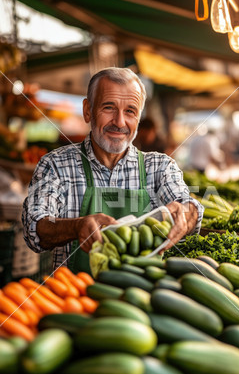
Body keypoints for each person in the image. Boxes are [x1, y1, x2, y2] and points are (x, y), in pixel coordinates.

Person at [22, 67, 203, 274]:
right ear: (88, 110)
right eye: (109, 108)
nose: (119, 122)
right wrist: (76, 227)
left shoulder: (160, 167)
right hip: (74, 297)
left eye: (130, 111)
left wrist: (186, 213)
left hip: (142, 301)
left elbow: (188, 207)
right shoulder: (56, 165)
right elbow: (34, 227)